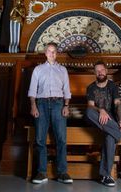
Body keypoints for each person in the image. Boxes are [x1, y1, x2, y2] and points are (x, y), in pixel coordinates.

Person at [85, 61, 121, 187]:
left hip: (110, 122)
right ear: (94, 73)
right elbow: (90, 106)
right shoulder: (91, 87)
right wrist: (101, 110)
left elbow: (117, 105)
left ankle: (105, 175)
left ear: (106, 71)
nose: (100, 72)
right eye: (97, 71)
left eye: (102, 70)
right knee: (88, 111)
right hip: (96, 120)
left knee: (110, 136)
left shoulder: (112, 86)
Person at [28, 42, 73, 184]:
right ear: (45, 53)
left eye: (54, 51)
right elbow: (32, 90)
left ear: (56, 53)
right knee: (40, 139)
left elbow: (67, 90)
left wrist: (66, 105)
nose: (51, 54)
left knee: (61, 139)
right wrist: (33, 106)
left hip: (58, 104)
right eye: (49, 51)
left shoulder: (63, 70)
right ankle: (41, 173)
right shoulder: (38, 69)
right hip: (41, 104)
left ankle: (62, 173)